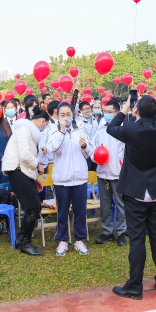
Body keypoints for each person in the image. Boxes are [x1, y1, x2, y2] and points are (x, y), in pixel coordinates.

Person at [107, 95, 156, 300]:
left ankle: (135, 286)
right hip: (155, 189)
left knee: (137, 239)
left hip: (135, 190)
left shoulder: (130, 128)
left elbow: (111, 127)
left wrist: (125, 108)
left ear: (136, 110)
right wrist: (146, 110)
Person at [47, 102, 94, 256]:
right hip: (62, 179)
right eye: (62, 115)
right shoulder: (53, 131)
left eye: (68, 114)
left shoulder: (80, 130)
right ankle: (63, 240)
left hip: (79, 178)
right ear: (58, 115)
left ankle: (79, 239)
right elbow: (54, 149)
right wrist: (61, 131)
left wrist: (84, 146)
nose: (66, 117)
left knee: (80, 211)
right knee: (62, 211)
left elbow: (89, 153)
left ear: (73, 115)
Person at [2, 105, 49, 256]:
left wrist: (35, 178)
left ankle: (21, 238)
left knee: (32, 208)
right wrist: (38, 165)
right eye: (45, 124)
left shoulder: (27, 131)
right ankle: (25, 243)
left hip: (22, 172)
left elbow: (26, 161)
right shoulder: (24, 130)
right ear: (42, 121)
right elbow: (25, 155)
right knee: (34, 208)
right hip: (17, 172)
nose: (44, 127)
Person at [91, 99, 128, 245]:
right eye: (105, 111)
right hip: (103, 172)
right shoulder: (100, 129)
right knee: (105, 203)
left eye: (110, 112)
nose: (106, 114)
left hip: (118, 172)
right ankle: (107, 231)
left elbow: (126, 152)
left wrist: (122, 166)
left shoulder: (123, 130)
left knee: (120, 204)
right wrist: (95, 156)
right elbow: (93, 148)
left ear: (117, 113)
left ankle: (121, 232)